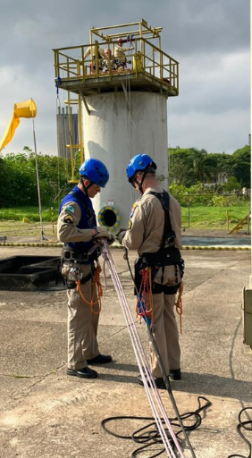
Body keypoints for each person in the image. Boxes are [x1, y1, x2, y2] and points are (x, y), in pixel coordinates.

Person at [118, 154, 184, 390]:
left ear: (138, 177)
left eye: (133, 183)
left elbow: (133, 242)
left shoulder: (143, 204)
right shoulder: (173, 201)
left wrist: (121, 237)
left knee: (154, 321)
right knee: (168, 317)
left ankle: (158, 374)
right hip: (173, 270)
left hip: (152, 271)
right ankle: (174, 367)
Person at [57, 158, 115, 379]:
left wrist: (99, 234)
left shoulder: (85, 200)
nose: (99, 189)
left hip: (87, 265)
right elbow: (64, 233)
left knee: (92, 311)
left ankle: (90, 352)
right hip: (76, 267)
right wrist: (92, 234)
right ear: (86, 181)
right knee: (79, 315)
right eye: (97, 185)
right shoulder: (73, 202)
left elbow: (87, 228)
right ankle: (75, 362)